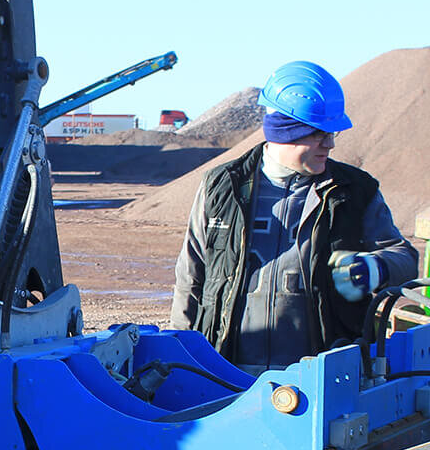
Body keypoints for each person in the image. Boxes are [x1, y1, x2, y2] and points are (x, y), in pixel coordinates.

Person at [170, 60, 414, 371]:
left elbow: (404, 256)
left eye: (331, 133)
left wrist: (376, 267)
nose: (330, 143)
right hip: (226, 373)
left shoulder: (354, 191)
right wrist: (181, 355)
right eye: (318, 133)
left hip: (320, 377)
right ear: (286, 130)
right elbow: (191, 275)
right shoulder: (222, 186)